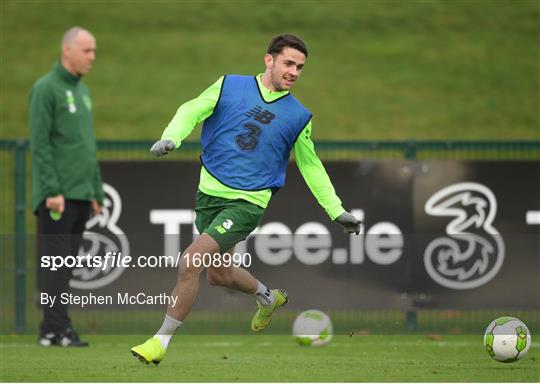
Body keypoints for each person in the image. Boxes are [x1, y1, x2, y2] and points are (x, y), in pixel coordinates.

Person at [131, 33, 361, 364]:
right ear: (268, 59)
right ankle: (269, 299)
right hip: (208, 196)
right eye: (288, 63)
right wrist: (171, 138)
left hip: (247, 203)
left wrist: (336, 211)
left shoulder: (298, 117)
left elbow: (311, 166)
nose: (294, 71)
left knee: (190, 261)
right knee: (219, 274)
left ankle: (159, 342)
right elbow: (192, 109)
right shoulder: (228, 86)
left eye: (300, 67)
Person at [29, 26, 104, 347]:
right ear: (67, 51)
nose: (92, 57)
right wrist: (51, 190)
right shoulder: (45, 89)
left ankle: (51, 329)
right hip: (57, 197)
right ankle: (57, 329)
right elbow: (41, 144)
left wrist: (96, 191)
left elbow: (86, 147)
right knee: (56, 265)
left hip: (81, 194)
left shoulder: (83, 92)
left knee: (67, 265)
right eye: (87, 51)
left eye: (94, 51)